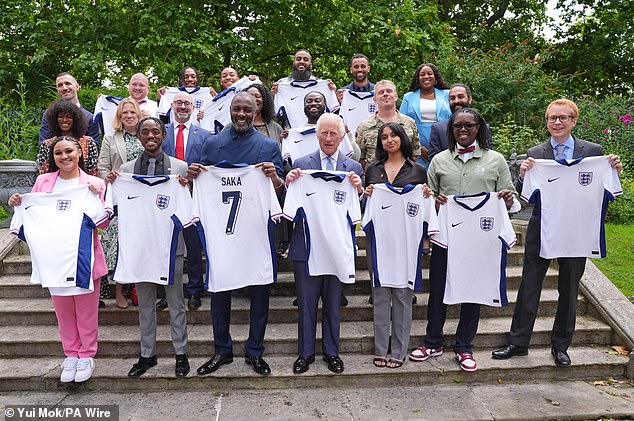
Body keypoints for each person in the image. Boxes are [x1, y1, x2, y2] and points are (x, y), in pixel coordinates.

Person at [492, 99, 623, 367]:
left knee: (569, 288)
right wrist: (523, 174)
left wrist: (614, 170)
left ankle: (561, 346)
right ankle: (518, 343)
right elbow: (526, 196)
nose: (557, 123)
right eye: (552, 118)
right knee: (529, 286)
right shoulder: (536, 153)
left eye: (563, 118)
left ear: (574, 120)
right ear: (547, 121)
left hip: (578, 230)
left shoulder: (594, 152)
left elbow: (606, 192)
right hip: (542, 229)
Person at [409, 108, 518, 372]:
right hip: (446, 236)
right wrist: (434, 201)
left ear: (478, 128)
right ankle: (433, 341)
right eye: (458, 126)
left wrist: (506, 198)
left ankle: (464, 345)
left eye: (468, 125)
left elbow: (511, 197)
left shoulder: (496, 160)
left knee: (474, 290)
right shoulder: (438, 161)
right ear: (451, 129)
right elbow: (428, 197)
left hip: (480, 239)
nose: (463, 130)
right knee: (437, 290)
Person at [187, 92, 285, 376]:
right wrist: (195, 176)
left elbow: (279, 190)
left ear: (256, 112)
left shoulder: (268, 145)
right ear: (229, 110)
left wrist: (274, 177)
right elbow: (203, 185)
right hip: (223, 232)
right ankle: (222, 350)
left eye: (247, 110)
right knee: (219, 290)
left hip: (256, 230)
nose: (241, 114)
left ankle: (255, 350)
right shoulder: (212, 143)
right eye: (236, 109)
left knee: (260, 291)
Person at [8, 136, 108, 383]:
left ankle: (86, 355)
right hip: (54, 259)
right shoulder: (43, 182)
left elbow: (104, 221)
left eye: (69, 151)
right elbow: (33, 213)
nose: (64, 157)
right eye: (58, 153)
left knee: (86, 312)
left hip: (84, 259)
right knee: (63, 312)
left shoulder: (94, 183)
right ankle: (71, 354)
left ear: (80, 153)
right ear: (53, 157)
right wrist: (17, 204)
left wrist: (98, 198)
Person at [105, 117, 190, 378]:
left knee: (176, 303)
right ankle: (147, 354)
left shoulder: (180, 167)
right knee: (145, 305)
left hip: (171, 246)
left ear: (164, 135)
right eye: (145, 132)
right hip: (141, 248)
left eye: (155, 131)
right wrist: (111, 183)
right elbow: (115, 206)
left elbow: (189, 207)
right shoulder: (127, 171)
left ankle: (181, 354)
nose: (150, 135)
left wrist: (188, 187)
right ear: (139, 137)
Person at [285, 113, 364, 374]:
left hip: (338, 247)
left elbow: (360, 211)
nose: (329, 138)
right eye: (324, 133)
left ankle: (332, 352)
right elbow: (292, 209)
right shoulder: (300, 165)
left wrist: (360, 191)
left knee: (333, 303)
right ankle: (305, 354)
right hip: (306, 247)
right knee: (306, 304)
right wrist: (289, 184)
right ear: (316, 135)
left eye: (334, 134)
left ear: (342, 137)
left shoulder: (353, 168)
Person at [363, 122, 430, 368]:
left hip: (406, 242)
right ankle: (380, 348)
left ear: (402, 138)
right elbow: (365, 208)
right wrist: (367, 195)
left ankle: (399, 350)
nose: (389, 140)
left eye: (393, 135)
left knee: (403, 296)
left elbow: (425, 206)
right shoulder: (373, 170)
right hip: (379, 242)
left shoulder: (418, 171)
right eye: (384, 137)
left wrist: (427, 198)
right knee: (380, 295)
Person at [161, 92, 210, 311]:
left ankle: (194, 289)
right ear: (171, 105)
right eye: (179, 103)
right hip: (166, 196)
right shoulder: (161, 132)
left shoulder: (206, 135)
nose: (182, 106)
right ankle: (166, 290)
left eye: (187, 103)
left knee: (193, 244)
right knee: (166, 244)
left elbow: (209, 165)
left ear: (192, 107)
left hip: (193, 195)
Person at [97, 98, 144, 308]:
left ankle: (140, 288)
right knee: (118, 242)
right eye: (124, 113)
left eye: (132, 112)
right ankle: (119, 290)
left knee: (141, 241)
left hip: (144, 197)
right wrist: (109, 177)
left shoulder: (147, 134)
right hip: (119, 196)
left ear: (139, 114)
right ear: (119, 116)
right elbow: (102, 166)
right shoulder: (110, 137)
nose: (129, 116)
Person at [355, 80, 420, 169]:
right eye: (381, 92)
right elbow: (360, 158)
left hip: (404, 178)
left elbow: (414, 154)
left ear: (396, 96)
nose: (385, 94)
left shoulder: (409, 123)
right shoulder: (364, 126)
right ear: (374, 99)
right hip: (375, 179)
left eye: (389, 91)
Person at [399, 63, 451, 167]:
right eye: (422, 74)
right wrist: (417, 148)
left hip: (444, 144)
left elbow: (455, 119)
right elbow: (401, 124)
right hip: (416, 148)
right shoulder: (408, 97)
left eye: (429, 73)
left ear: (435, 77)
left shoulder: (447, 94)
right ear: (418, 79)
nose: (426, 76)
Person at [428, 84, 493, 160]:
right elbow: (434, 162)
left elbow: (489, 159)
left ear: (470, 99)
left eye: (460, 97)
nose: (456, 101)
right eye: (452, 98)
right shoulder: (438, 129)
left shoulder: (482, 127)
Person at [37, 100, 99, 176]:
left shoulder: (88, 142)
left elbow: (93, 172)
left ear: (76, 119)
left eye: (69, 117)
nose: (64, 120)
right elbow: (44, 173)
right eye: (60, 117)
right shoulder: (47, 144)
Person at [39, 72, 100, 144]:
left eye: (68, 83)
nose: (64, 88)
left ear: (77, 86)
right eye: (60, 85)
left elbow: (94, 147)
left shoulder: (90, 118)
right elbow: (43, 143)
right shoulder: (49, 114)